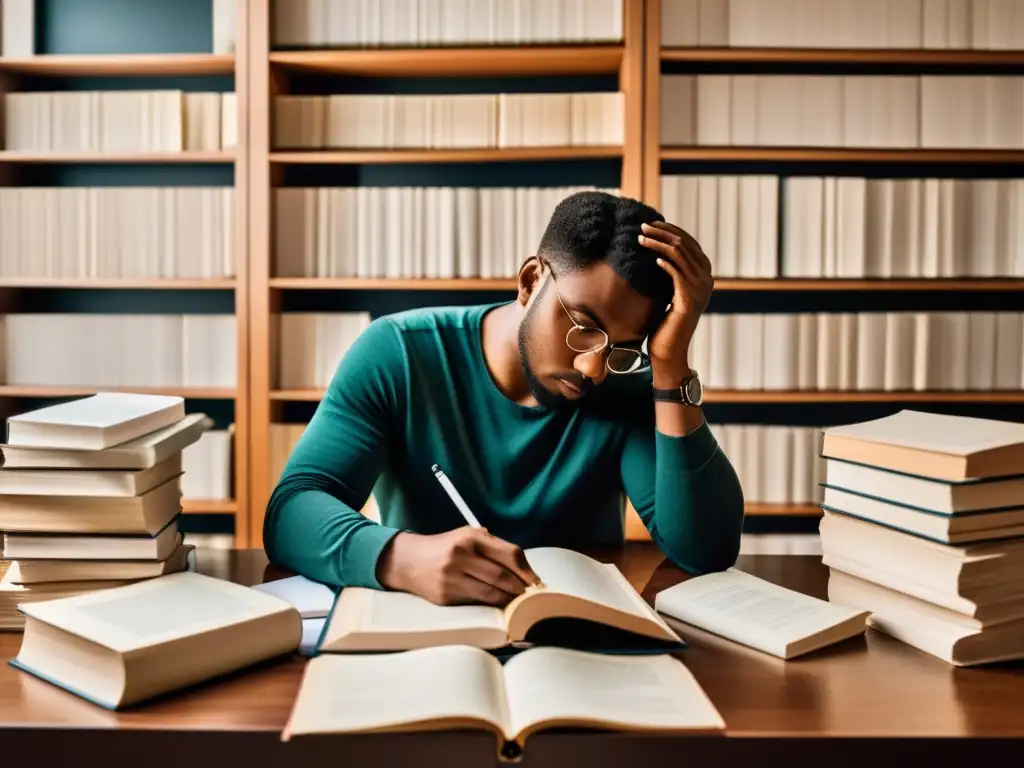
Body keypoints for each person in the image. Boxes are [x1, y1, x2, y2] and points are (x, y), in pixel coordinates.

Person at [264, 190, 745, 607]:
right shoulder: (400, 353)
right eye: (582, 327)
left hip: (575, 647)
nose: (593, 368)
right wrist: (399, 558)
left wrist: (670, 363)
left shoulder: (627, 385)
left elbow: (705, 550)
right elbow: (291, 511)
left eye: (622, 347)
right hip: (426, 638)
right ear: (531, 280)